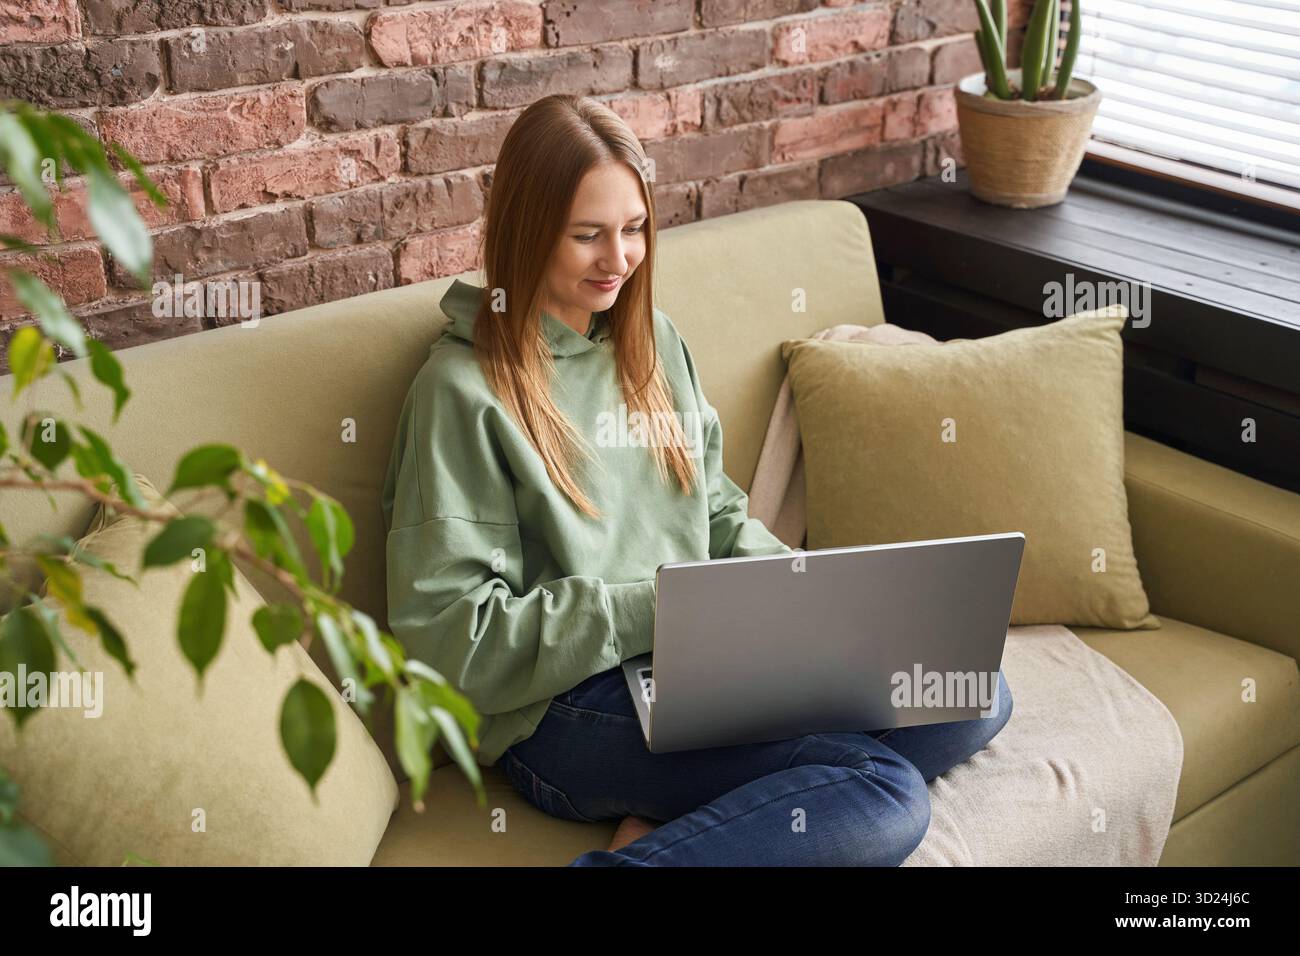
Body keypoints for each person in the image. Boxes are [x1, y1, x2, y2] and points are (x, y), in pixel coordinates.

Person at [380, 93, 1013, 866]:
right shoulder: (461, 392)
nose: (619, 259)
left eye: (635, 228)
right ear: (526, 231)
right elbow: (452, 645)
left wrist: (811, 593)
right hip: (560, 710)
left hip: (698, 657)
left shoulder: (652, 344)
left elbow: (713, 514)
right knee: (882, 793)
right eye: (588, 235)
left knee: (964, 691)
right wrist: (661, 609)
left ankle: (691, 814)